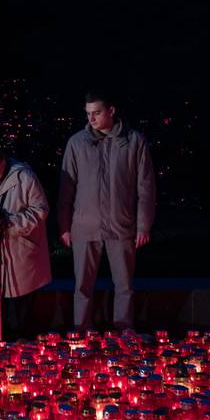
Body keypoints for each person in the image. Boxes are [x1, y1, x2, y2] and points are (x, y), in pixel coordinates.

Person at [58, 91, 156, 332]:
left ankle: (124, 331)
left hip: (121, 224)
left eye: (97, 113)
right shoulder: (76, 143)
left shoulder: (134, 141)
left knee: (124, 284)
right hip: (84, 226)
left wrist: (144, 225)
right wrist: (64, 226)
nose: (91, 118)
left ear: (111, 111)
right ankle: (81, 330)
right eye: (88, 114)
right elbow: (66, 189)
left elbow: (146, 187)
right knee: (82, 285)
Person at [0, 143, 52, 339]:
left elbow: (40, 210)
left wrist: (10, 222)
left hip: (20, 249)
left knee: (20, 310)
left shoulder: (25, 177)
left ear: (2, 161)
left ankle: (21, 352)